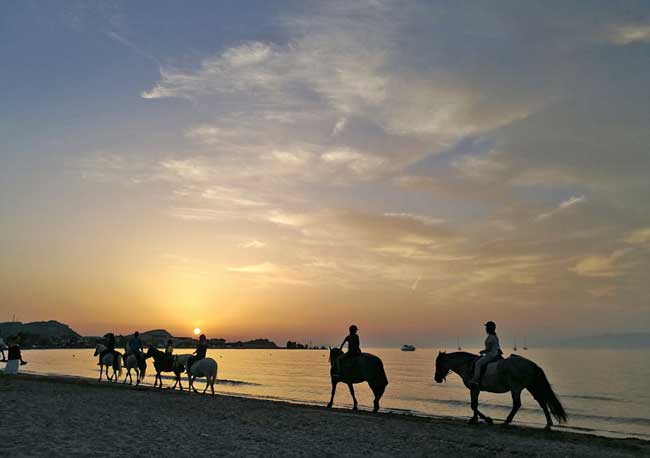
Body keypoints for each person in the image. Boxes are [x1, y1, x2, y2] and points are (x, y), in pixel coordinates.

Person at [469, 321, 502, 386]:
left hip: (491, 355)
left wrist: (482, 351)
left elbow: (489, 349)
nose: (485, 329)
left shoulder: (490, 337)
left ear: (488, 328)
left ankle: (476, 379)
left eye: (486, 327)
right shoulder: (495, 336)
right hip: (495, 354)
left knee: (478, 363)